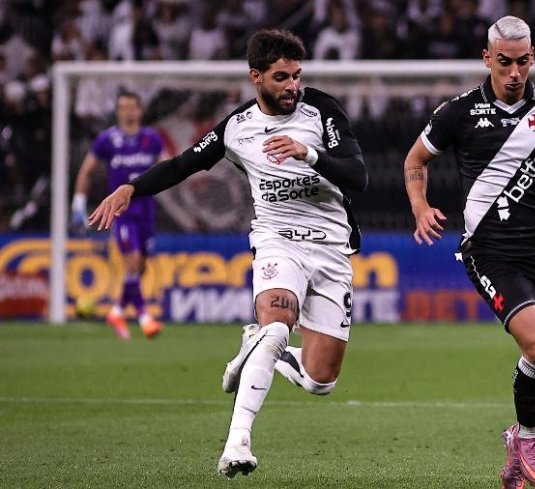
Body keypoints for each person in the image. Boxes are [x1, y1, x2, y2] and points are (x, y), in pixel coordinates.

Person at [88, 29, 368, 478]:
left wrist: (309, 153)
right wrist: (132, 188)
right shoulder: (237, 127)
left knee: (321, 381)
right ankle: (237, 442)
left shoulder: (323, 111)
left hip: (332, 249)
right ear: (256, 77)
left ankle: (254, 346)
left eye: (297, 75)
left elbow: (358, 176)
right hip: (277, 241)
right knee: (276, 324)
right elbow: (184, 164)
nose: (293, 86)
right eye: (281, 77)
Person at [402, 16, 535, 489]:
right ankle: (530, 439)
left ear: (532, 58)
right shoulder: (459, 112)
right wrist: (419, 206)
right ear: (487, 59)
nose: (514, 73)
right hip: (491, 251)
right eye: (504, 63)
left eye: (522, 62)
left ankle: (519, 441)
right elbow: (415, 159)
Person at [72, 92, 167, 340]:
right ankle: (145, 318)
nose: (127, 112)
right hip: (121, 211)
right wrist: (79, 202)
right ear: (118, 112)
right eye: (122, 107)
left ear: (140, 110)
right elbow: (86, 171)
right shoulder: (107, 140)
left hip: (147, 209)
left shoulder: (152, 139)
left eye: (131, 107)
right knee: (132, 261)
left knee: (141, 265)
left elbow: (168, 166)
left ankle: (116, 311)